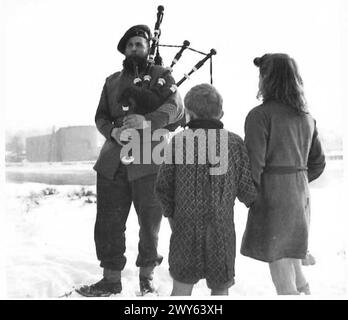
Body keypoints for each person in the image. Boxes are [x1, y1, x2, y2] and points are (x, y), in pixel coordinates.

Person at [77, 25, 184, 297]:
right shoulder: (112, 81)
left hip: (149, 159)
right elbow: (100, 117)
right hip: (113, 162)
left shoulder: (163, 76)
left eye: (140, 44)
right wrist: (112, 130)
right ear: (124, 50)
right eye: (131, 45)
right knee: (108, 222)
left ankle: (147, 278)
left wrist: (147, 122)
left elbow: (176, 109)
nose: (135, 48)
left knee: (150, 223)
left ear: (148, 48)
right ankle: (110, 279)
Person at [155, 84, 257, 296]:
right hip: (221, 231)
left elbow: (163, 186)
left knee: (181, 288)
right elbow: (247, 189)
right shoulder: (235, 143)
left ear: (189, 113)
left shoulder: (179, 141)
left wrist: (172, 215)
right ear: (220, 113)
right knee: (221, 289)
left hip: (184, 228)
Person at [240, 53, 326, 295]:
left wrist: (246, 196)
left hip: (273, 198)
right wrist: (295, 181)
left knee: (279, 266)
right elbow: (318, 163)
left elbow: (253, 164)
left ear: (267, 78)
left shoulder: (260, 115)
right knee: (293, 261)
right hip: (300, 197)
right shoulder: (307, 118)